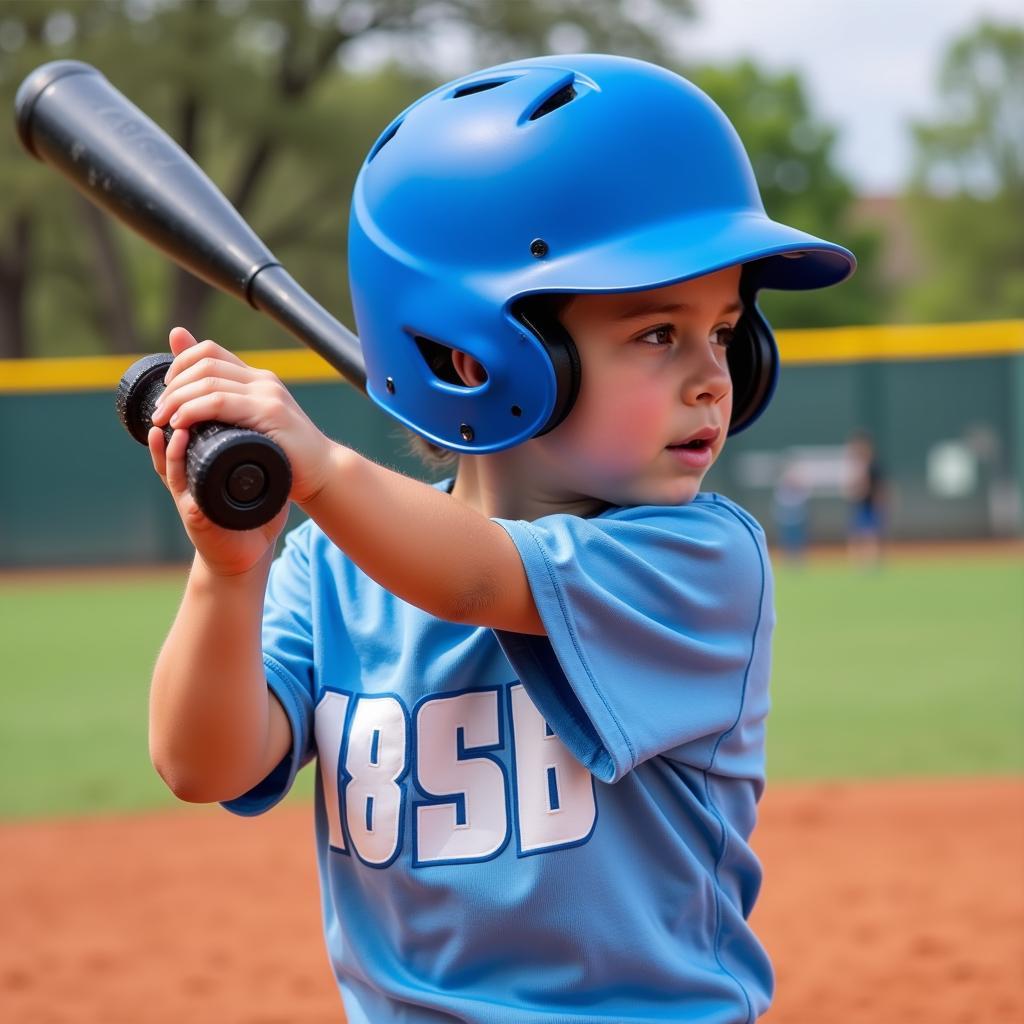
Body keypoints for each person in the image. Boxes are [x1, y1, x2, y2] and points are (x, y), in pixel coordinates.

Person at [146, 55, 855, 1023]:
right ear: (467, 354)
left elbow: (477, 580)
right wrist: (227, 572)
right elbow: (204, 764)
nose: (712, 376)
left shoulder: (699, 561)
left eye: (724, 330)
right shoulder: (327, 567)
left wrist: (316, 464)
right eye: (657, 333)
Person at [845, 430, 887, 567]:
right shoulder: (858, 464)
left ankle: (871, 562)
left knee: (871, 535)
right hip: (861, 505)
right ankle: (857, 562)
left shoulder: (873, 466)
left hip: (870, 506)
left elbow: (877, 488)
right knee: (857, 534)